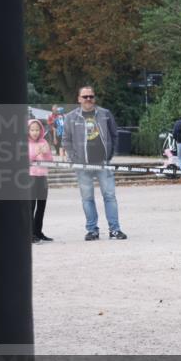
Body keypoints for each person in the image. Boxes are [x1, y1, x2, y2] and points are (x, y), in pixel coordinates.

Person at [62, 85, 127, 241]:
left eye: (91, 96)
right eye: (85, 97)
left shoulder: (105, 114)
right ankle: (92, 230)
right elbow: (66, 140)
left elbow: (114, 135)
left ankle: (115, 230)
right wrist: (74, 159)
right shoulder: (70, 117)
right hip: (82, 165)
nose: (88, 99)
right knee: (87, 198)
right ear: (79, 99)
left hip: (103, 163)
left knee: (110, 196)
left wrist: (109, 155)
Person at [28, 119, 54, 243]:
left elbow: (50, 160)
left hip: (42, 177)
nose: (35, 132)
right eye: (32, 130)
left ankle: (38, 232)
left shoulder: (44, 142)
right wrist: (35, 154)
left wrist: (46, 154)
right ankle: (30, 234)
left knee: (41, 206)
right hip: (30, 177)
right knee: (31, 207)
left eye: (37, 130)